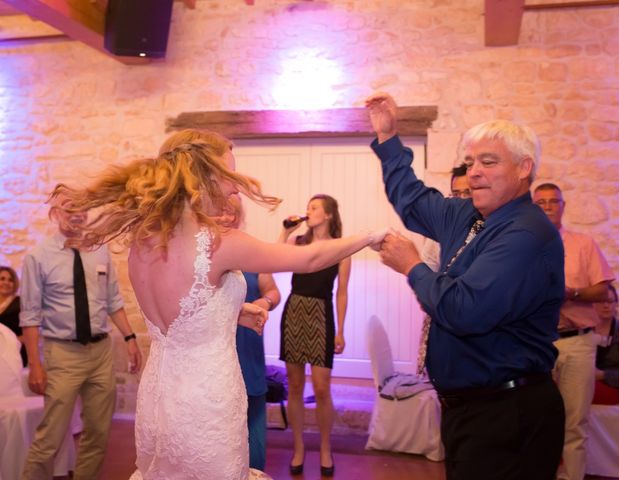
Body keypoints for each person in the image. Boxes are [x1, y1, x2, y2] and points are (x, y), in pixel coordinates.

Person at [52, 128, 386, 480]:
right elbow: (308, 259)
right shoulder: (217, 242)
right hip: (207, 400)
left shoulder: (144, 242)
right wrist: (369, 236)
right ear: (205, 177)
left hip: (159, 396)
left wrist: (234, 311)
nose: (235, 187)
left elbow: (178, 314)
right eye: (230, 175)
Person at [366, 92, 565, 480]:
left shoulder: (526, 232)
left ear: (525, 168)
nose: (474, 172)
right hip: (467, 410)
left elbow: (463, 309)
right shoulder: (467, 215)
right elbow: (412, 199)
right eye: (471, 162)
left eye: (488, 162)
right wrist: (389, 137)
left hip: (508, 412)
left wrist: (412, 266)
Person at [19, 199, 142, 480]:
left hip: (101, 353)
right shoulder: (38, 257)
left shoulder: (99, 251)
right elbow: (30, 316)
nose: (77, 215)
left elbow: (113, 300)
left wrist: (130, 337)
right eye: (69, 208)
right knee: (51, 436)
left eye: (82, 208)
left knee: (98, 435)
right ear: (55, 213)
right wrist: (36, 365)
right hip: (62, 354)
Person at [533, 182, 614, 480]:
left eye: (553, 201)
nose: (547, 207)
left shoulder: (584, 244)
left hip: (577, 344)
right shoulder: (522, 246)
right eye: (540, 202)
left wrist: (572, 294)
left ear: (563, 206)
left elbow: (604, 291)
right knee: (536, 421)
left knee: (574, 424)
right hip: (535, 344)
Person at [279, 194, 350, 476]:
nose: (309, 211)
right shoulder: (299, 242)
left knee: (321, 388)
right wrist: (286, 230)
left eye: (315, 207)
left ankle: (324, 447)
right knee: (295, 387)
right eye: (308, 207)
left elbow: (342, 292)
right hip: (295, 309)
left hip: (322, 313)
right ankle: (298, 447)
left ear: (329, 214)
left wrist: (341, 329)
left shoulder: (341, 249)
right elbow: (275, 259)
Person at [228, 197, 282, 471]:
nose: (228, 217)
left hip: (249, 352)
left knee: (255, 444)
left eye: (234, 212)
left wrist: (265, 302)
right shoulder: (205, 254)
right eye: (223, 211)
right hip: (220, 356)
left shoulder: (251, 252)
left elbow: (273, 291)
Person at [418, 165, 469, 375]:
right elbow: (426, 273)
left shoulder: (487, 228)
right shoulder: (442, 230)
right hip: (441, 318)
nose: (462, 199)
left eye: (468, 192)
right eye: (456, 193)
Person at [0, 265, 27, 366]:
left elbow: (29, 332)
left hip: (14, 354)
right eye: (2, 279)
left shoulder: (21, 303)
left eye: (10, 280)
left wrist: (10, 342)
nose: (6, 282)